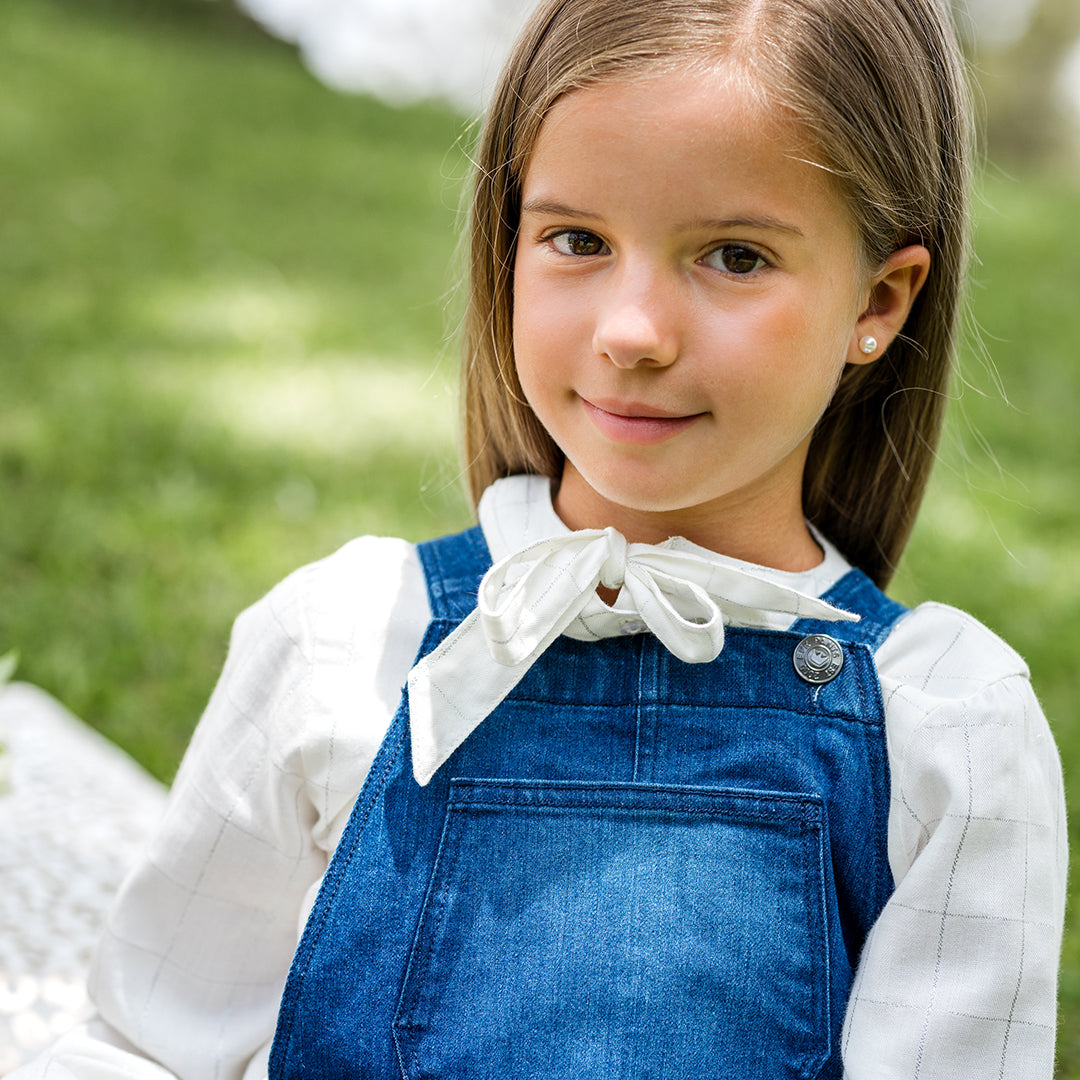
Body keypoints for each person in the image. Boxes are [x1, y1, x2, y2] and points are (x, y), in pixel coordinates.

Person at [13, 0, 1067, 1077]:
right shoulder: (340, 641)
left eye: (736, 257)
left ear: (878, 300)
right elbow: (148, 1044)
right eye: (576, 240)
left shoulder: (944, 731)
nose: (631, 332)